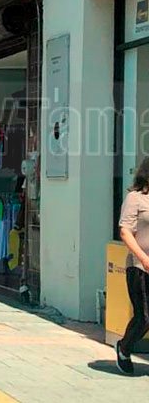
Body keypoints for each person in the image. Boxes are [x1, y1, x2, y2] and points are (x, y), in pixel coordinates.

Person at [115, 156, 149, 375]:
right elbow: (125, 231)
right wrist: (143, 258)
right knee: (144, 317)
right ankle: (124, 348)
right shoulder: (135, 198)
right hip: (139, 266)